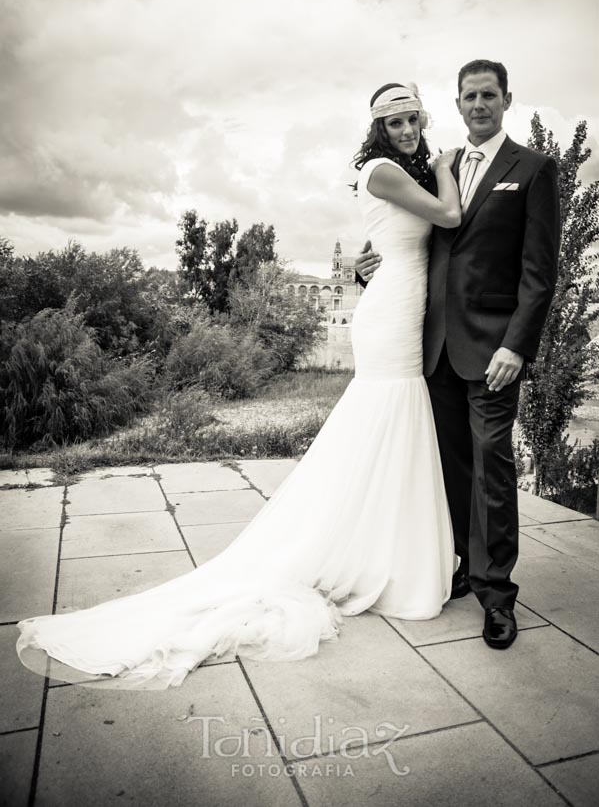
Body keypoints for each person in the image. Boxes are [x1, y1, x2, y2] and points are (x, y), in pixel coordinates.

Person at [16, 82, 461, 690]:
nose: (408, 130)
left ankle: (380, 549)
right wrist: (442, 168)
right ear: (379, 129)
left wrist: (365, 257)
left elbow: (385, 241)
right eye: (398, 122)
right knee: (387, 413)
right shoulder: (386, 169)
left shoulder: (393, 172)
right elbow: (450, 216)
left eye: (415, 120)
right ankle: (370, 553)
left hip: (403, 304)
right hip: (389, 317)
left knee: (390, 427)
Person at [356, 60, 561, 650]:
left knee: (492, 465)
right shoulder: (435, 166)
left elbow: (539, 272)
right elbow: (410, 242)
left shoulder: (533, 168)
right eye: (469, 95)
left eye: (488, 95)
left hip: (494, 350)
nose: (478, 104)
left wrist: (517, 346)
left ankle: (498, 596)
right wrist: (367, 268)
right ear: (456, 103)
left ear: (506, 100)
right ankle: (468, 569)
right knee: (451, 468)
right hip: (433, 347)